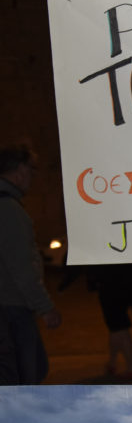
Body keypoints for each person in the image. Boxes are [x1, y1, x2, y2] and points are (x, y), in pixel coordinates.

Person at [0, 142, 61, 385]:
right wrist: (45, 307)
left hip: (8, 306)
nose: (33, 178)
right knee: (25, 376)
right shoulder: (9, 210)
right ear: (20, 171)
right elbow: (21, 267)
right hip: (11, 308)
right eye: (32, 170)